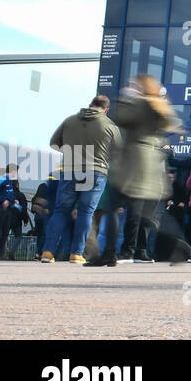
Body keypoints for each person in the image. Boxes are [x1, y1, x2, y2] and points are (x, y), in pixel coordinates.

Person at [105, 75, 184, 265]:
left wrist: (126, 97)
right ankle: (141, 249)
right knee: (143, 216)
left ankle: (124, 251)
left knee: (127, 212)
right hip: (150, 174)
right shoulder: (159, 111)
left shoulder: (141, 105)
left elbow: (121, 119)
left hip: (136, 168)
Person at [40, 96, 121, 265]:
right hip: (96, 171)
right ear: (106, 109)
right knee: (86, 212)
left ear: (90, 105)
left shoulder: (69, 120)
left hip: (70, 169)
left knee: (61, 210)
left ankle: (47, 252)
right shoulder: (109, 125)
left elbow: (53, 143)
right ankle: (76, 254)